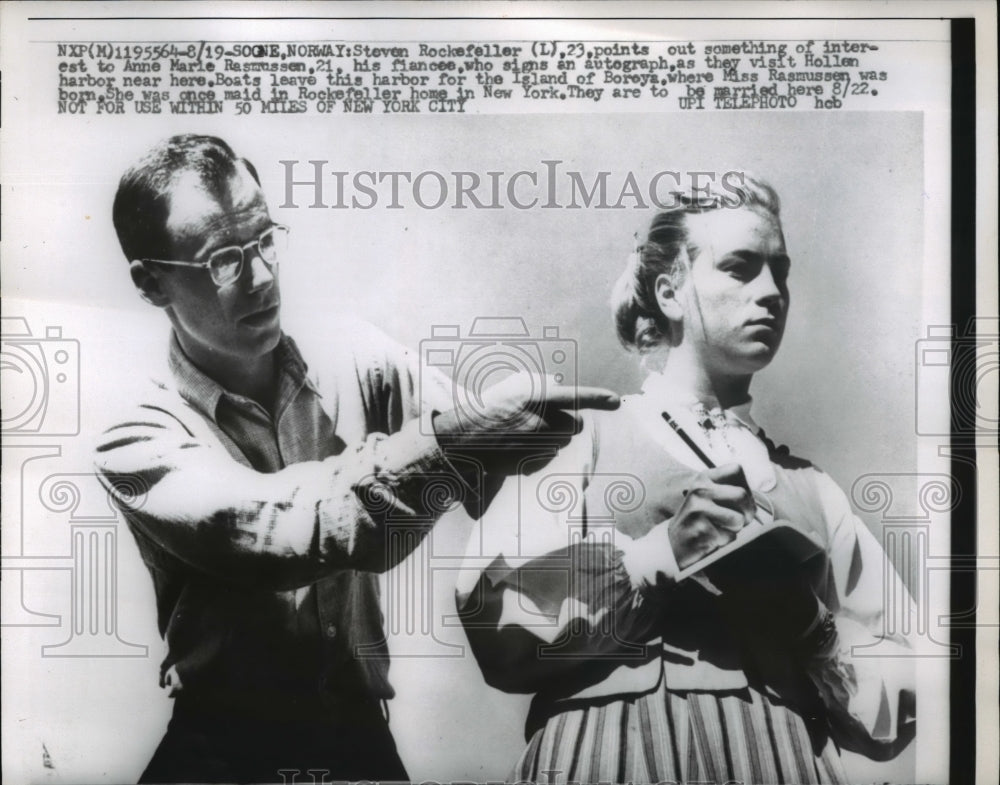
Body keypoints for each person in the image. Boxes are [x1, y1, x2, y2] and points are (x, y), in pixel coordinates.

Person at [94, 134, 619, 784]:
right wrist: (455, 439)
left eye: (264, 240)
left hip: (359, 740)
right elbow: (287, 530)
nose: (261, 277)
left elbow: (510, 469)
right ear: (151, 283)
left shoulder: (355, 354)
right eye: (223, 261)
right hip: (219, 753)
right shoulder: (136, 436)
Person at [456, 175, 917, 784]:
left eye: (781, 271)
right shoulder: (581, 438)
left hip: (775, 763)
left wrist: (808, 623)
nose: (773, 292)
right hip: (604, 759)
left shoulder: (811, 488)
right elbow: (496, 620)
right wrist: (660, 554)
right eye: (741, 267)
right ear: (670, 293)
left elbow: (906, 704)